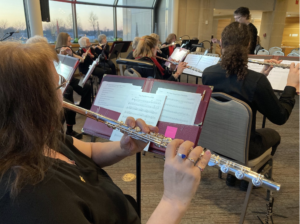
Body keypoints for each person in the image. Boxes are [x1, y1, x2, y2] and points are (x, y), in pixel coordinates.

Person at [0, 41, 211, 224]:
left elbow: (88, 152)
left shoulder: (32, 138)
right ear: (30, 106)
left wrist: (123, 147)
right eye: (58, 85)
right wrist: (174, 200)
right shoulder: (34, 201)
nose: (63, 93)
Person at [202, 22, 299, 190]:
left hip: (215, 144)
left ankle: (232, 176)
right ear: (249, 46)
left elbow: (235, 89)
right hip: (245, 150)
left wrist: (262, 75)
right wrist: (290, 85)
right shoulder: (254, 82)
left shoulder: (208, 74)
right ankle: (248, 180)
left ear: (222, 44)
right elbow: (280, 116)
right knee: (274, 135)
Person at [55, 33, 92, 139]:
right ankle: (69, 129)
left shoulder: (70, 50)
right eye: (69, 41)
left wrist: (71, 54)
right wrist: (62, 55)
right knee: (69, 90)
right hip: (62, 81)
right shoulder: (55, 53)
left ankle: (83, 109)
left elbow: (82, 60)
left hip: (72, 79)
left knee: (86, 86)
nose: (70, 43)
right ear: (63, 42)